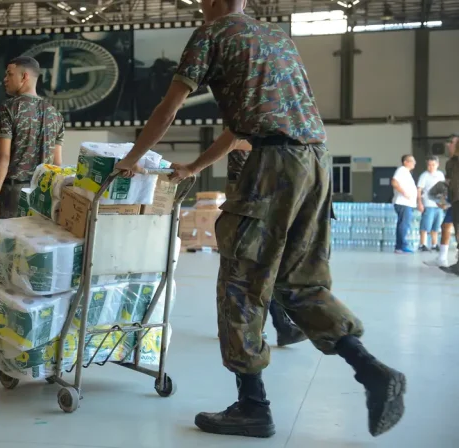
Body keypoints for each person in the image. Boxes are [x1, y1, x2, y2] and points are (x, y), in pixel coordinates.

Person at [114, 0, 406, 439]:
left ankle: (253, 405)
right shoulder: (277, 40)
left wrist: (130, 160)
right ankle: (371, 370)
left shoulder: (213, 34)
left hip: (272, 164)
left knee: (241, 282)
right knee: (299, 281)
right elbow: (236, 131)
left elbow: (169, 107)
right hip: (315, 162)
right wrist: (193, 168)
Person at [228, 149, 307, 347]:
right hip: (251, 216)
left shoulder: (265, 147)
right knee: (250, 273)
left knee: (264, 273)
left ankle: (278, 326)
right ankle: (259, 328)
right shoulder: (246, 147)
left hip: (261, 214)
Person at [0, 56, 65, 220]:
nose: (5, 79)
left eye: (9, 74)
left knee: (11, 243)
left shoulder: (9, 108)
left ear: (24, 77)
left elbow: (2, 156)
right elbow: (57, 164)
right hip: (45, 193)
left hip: (15, 194)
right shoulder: (55, 114)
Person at [438, 134, 459, 275]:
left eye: (451, 142)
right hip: (455, 200)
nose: (448, 145)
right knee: (457, 232)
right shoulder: (450, 163)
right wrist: (443, 199)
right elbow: (448, 182)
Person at [416, 156, 445, 251]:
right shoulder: (424, 175)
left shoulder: (440, 175)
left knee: (436, 226)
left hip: (439, 205)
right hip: (428, 204)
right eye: (429, 165)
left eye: (433, 165)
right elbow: (419, 189)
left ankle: (434, 244)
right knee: (425, 225)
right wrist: (419, 202)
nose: (431, 167)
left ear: (437, 165)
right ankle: (422, 244)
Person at [391, 155, 417, 253]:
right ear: (406, 162)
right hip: (403, 202)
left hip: (407, 203)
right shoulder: (401, 170)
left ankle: (400, 245)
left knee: (404, 224)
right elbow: (394, 182)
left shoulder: (406, 172)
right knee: (403, 224)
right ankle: (401, 246)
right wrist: (404, 192)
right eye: (412, 161)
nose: (414, 163)